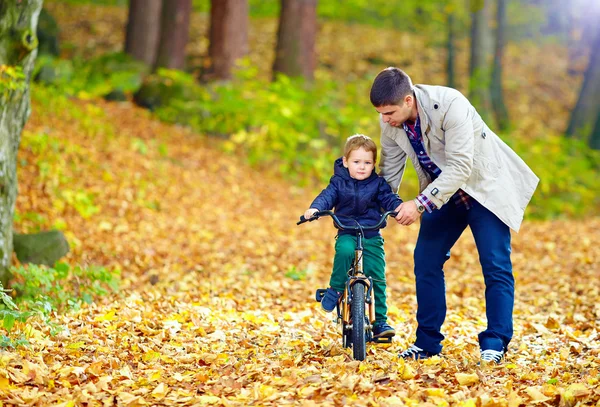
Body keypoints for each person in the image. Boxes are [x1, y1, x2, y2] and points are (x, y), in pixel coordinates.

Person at [369, 67, 539, 363]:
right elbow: (389, 173)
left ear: (408, 100)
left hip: (483, 190)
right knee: (426, 260)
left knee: (495, 264)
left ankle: (495, 342)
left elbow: (461, 166)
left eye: (389, 112)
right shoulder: (391, 123)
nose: (385, 119)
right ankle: (427, 344)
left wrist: (418, 204)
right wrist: (374, 208)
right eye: (381, 114)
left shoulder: (450, 104)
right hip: (443, 197)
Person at [304, 134, 403, 339]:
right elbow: (327, 196)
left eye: (367, 163)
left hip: (371, 233)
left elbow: (388, 198)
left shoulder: (378, 184)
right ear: (346, 161)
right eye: (356, 162)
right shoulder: (338, 182)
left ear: (373, 164)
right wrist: (315, 208)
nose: (361, 167)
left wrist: (398, 207)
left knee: (377, 274)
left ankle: (380, 321)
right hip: (347, 230)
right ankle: (336, 289)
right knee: (345, 250)